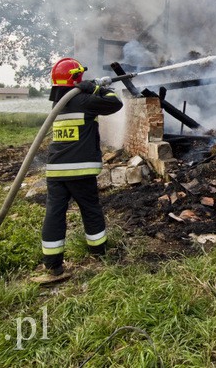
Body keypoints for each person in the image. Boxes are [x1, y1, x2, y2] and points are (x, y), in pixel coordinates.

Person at [40, 57, 123, 277]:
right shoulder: (84, 100)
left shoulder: (57, 103)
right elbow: (115, 103)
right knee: (90, 209)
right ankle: (99, 252)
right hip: (79, 170)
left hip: (56, 171)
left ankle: (52, 266)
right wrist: (98, 88)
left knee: (54, 215)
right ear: (76, 77)